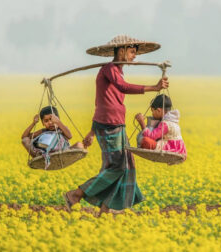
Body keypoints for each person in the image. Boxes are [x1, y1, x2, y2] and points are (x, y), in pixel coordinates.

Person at [64, 35, 169, 215]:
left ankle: (105, 208)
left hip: (115, 124)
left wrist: (92, 130)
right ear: (121, 50)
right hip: (108, 124)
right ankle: (77, 194)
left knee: (126, 165)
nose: (134, 56)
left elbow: (101, 101)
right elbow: (123, 87)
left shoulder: (117, 71)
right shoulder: (109, 69)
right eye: (132, 52)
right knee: (117, 167)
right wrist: (154, 87)